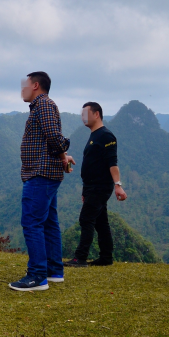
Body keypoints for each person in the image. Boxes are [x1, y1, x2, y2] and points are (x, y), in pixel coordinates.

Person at [9, 72, 74, 291]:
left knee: (32, 222)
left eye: (24, 85)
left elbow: (54, 137)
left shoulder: (44, 105)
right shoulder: (42, 106)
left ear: (35, 85)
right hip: (46, 172)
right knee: (48, 222)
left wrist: (64, 149)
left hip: (40, 173)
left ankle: (37, 276)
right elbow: (51, 139)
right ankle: (54, 271)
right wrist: (63, 157)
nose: (22, 90)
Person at [65, 102, 127, 268]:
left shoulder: (106, 136)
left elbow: (112, 163)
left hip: (100, 186)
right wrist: (86, 190)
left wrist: (118, 185)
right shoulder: (94, 135)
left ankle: (80, 258)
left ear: (97, 114)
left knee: (86, 219)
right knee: (101, 222)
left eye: (86, 113)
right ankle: (106, 257)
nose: (82, 117)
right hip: (92, 186)